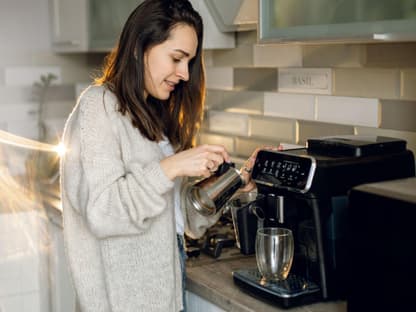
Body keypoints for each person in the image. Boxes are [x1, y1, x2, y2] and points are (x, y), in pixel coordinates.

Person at [60, 1, 256, 311]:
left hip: (164, 294)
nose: (184, 74)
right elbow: (102, 212)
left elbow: (182, 220)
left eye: (188, 61)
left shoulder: (156, 113)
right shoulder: (98, 106)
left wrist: (232, 183)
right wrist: (169, 167)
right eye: (176, 58)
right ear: (140, 48)